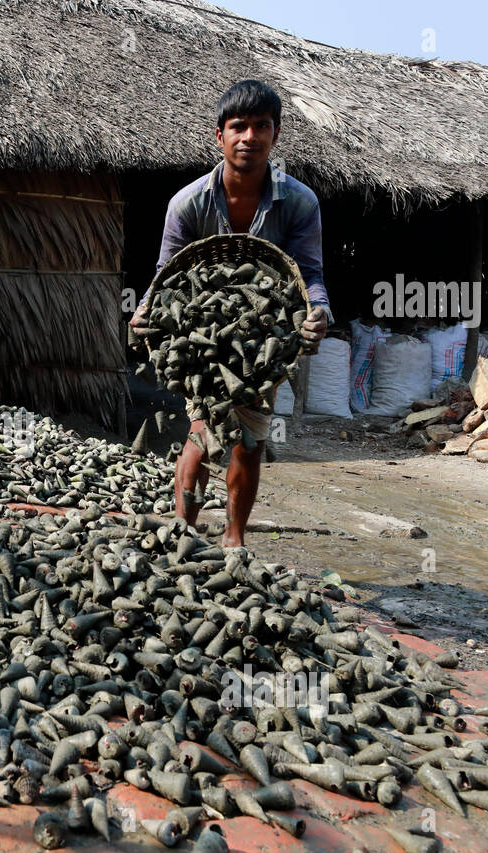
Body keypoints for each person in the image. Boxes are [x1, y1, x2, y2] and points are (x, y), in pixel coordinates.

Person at [130, 79, 332, 547]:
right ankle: (186, 530)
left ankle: (234, 538)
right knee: (201, 427)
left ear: (275, 135)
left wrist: (318, 309)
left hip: (265, 340)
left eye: (261, 126)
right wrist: (144, 311)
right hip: (200, 342)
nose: (249, 137)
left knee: (249, 437)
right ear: (219, 135)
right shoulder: (188, 202)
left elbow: (309, 272)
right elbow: (166, 276)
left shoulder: (300, 202)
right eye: (238, 127)